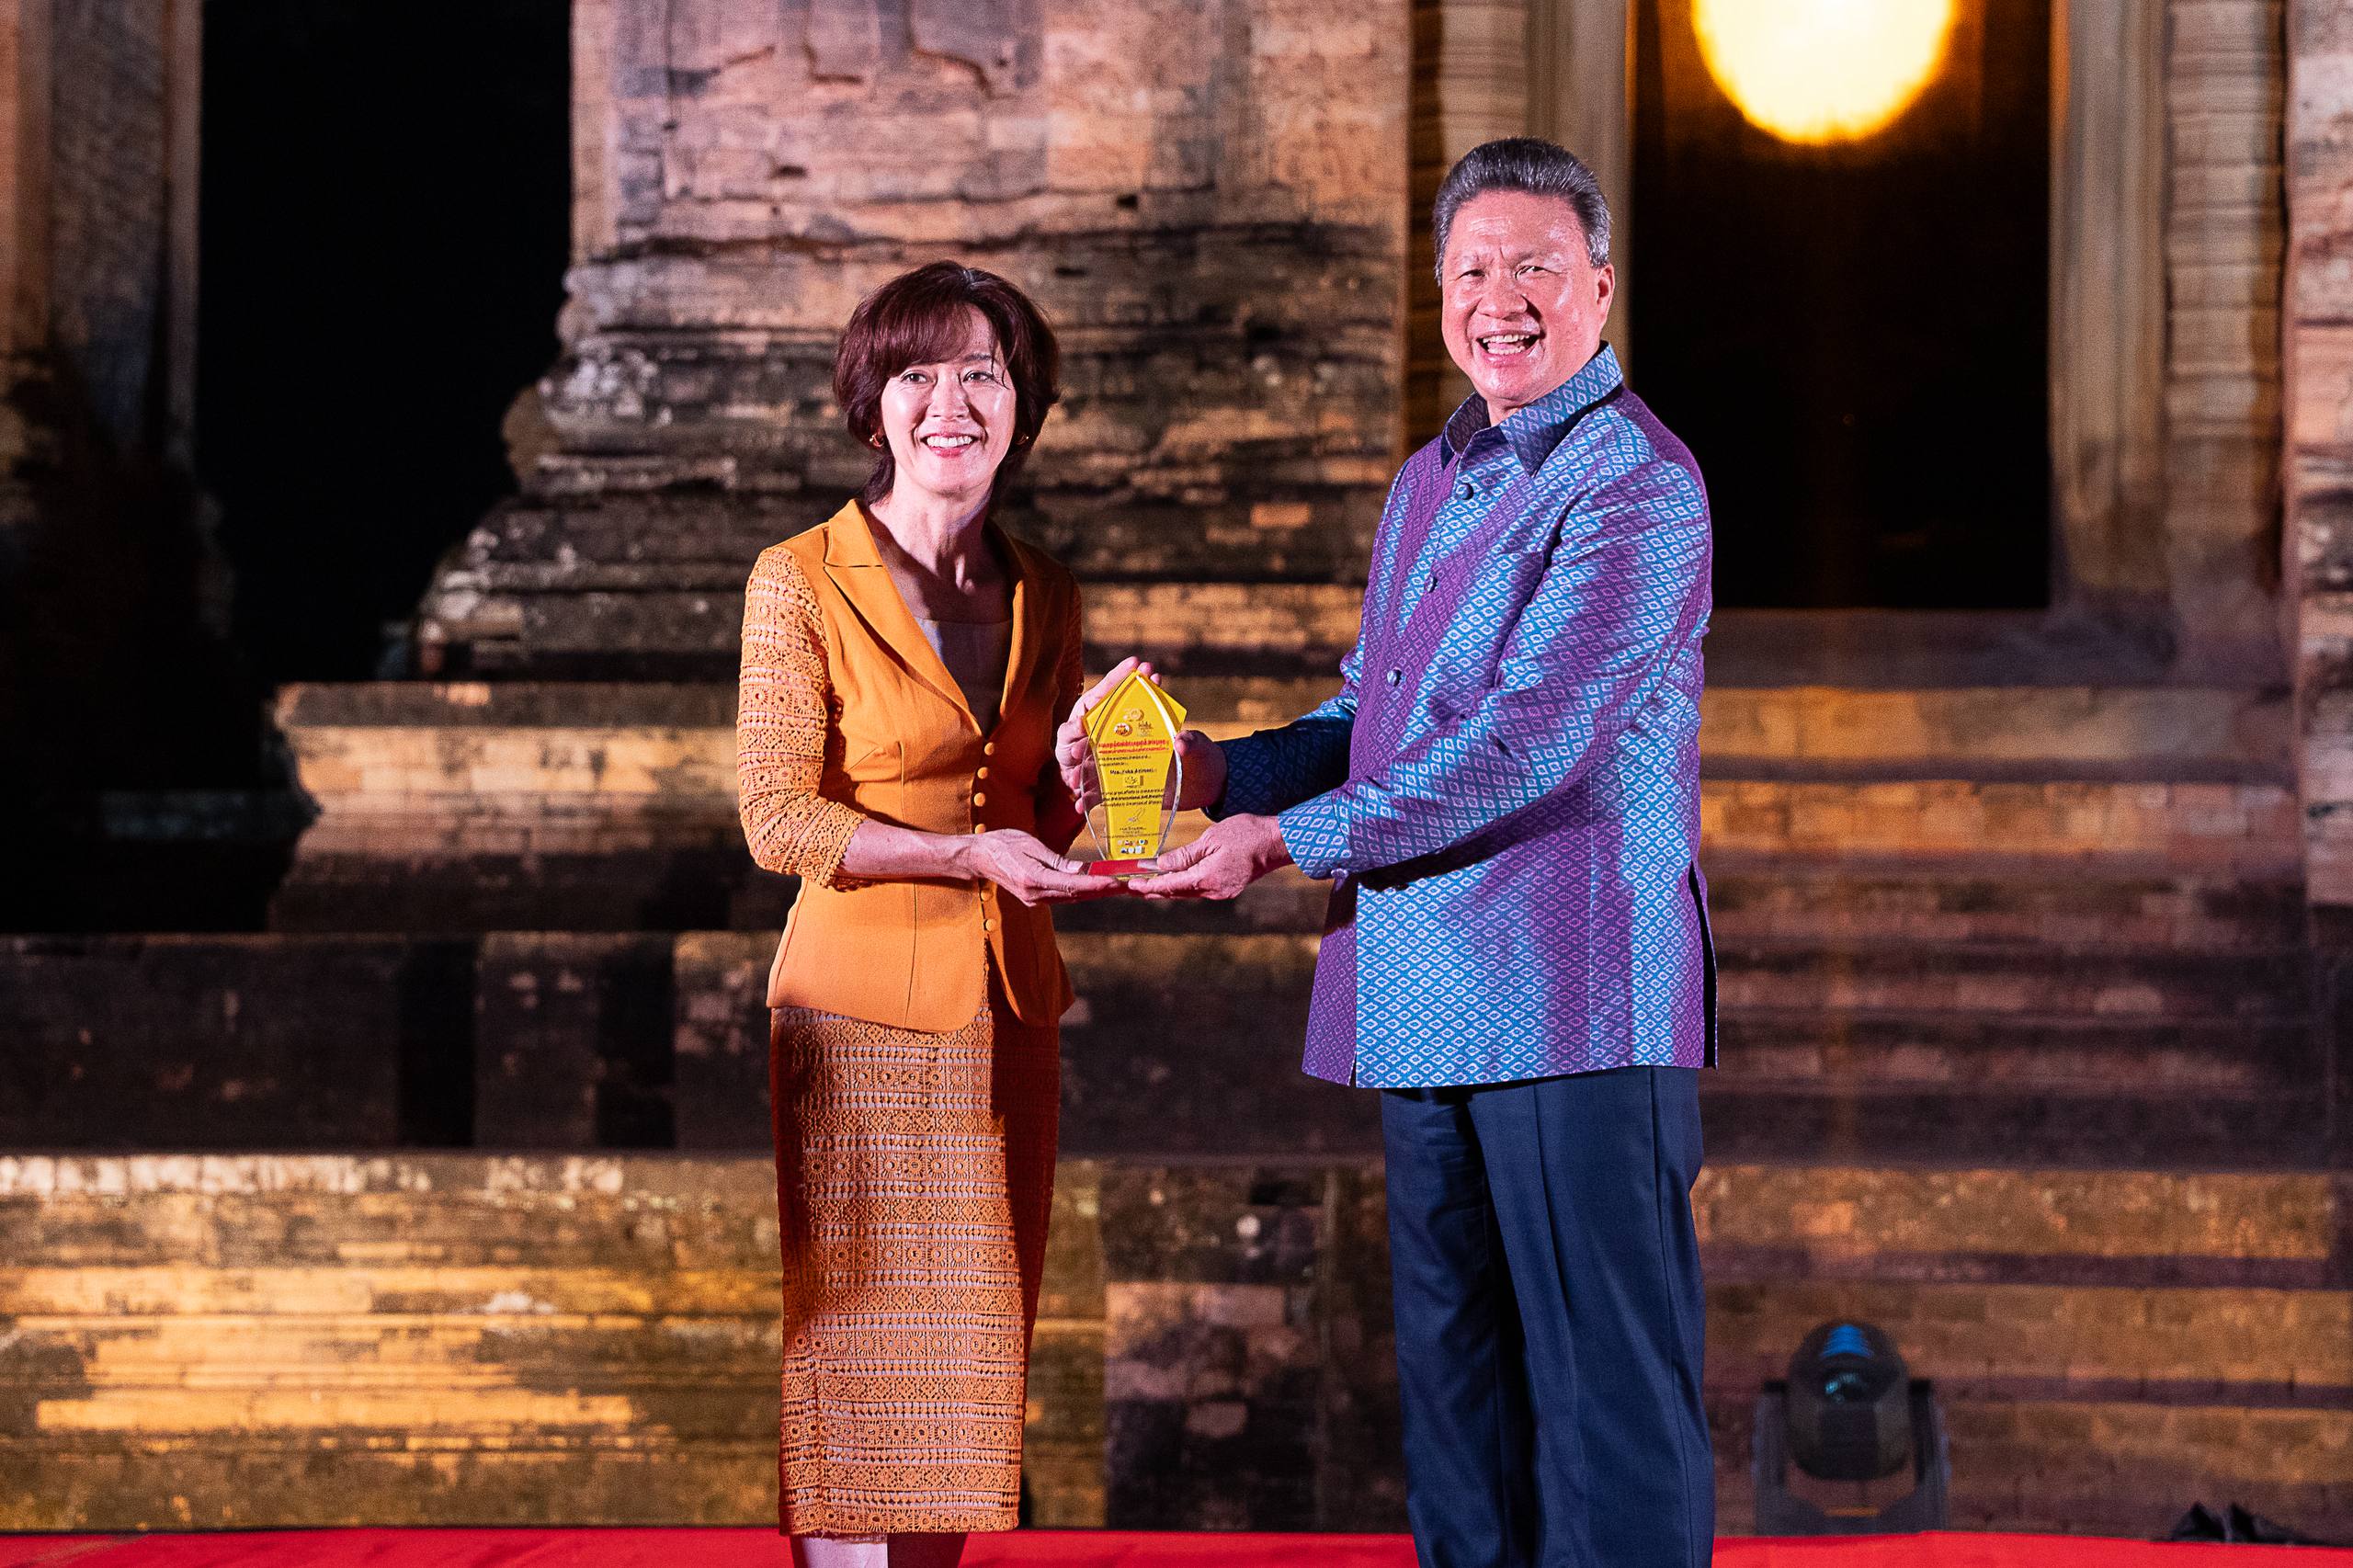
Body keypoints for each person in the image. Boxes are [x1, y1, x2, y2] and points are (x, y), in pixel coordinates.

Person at [1068, 139, 1718, 1567]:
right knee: (1458, 1400)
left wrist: (1280, 843)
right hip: (1423, 996)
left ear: (1600, 287)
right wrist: (1207, 773)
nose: (1502, 299)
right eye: (1473, 270)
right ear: (1438, 293)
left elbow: (1521, 747)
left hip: (1573, 1002)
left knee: (1604, 1403)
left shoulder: (1638, 485)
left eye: (1536, 267)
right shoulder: (1433, 475)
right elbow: (1371, 712)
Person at [737, 260, 1124, 1568]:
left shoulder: (1045, 589)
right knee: (858, 1363)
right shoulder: (800, 579)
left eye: (980, 375)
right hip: (857, 1020)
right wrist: (965, 855)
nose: (948, 404)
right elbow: (778, 820)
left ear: (1022, 405)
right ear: (872, 402)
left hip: (1010, 1013)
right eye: (916, 374)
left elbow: (1039, 829)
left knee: (966, 1379)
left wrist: (1083, 789)